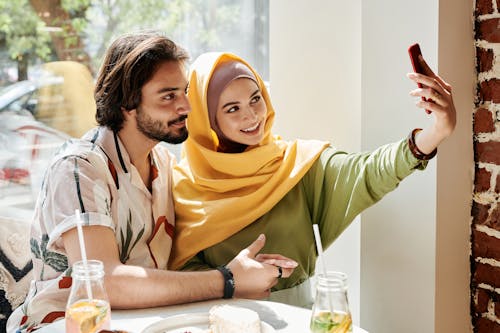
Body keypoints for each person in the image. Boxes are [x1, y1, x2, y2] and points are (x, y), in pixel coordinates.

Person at [7, 33, 297, 332]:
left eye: (184, 92)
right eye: (169, 96)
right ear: (127, 104)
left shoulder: (164, 164)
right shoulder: (79, 169)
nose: (186, 106)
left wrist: (250, 266)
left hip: (141, 321)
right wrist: (228, 280)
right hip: (62, 325)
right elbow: (104, 282)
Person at [170, 52, 456, 307]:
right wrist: (231, 279)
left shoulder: (297, 166)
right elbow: (179, 273)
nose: (252, 115)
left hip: (299, 320)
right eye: (232, 108)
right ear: (207, 120)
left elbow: (369, 170)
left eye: (255, 99)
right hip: (216, 324)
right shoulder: (182, 187)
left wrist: (436, 131)